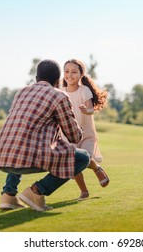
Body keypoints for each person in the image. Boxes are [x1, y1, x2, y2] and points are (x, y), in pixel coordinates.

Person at [0, 59, 90, 211]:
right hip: (29, 159)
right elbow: (74, 137)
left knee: (19, 143)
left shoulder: (21, 92)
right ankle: (36, 191)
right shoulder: (59, 96)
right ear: (58, 80)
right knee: (83, 157)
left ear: (36, 78)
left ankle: (8, 195)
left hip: (1, 156)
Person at [62, 59, 109, 200]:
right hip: (69, 135)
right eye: (67, 71)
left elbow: (90, 110)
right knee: (74, 161)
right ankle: (84, 192)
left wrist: (85, 109)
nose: (70, 75)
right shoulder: (60, 91)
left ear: (81, 74)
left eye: (74, 72)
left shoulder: (84, 90)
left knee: (86, 158)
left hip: (86, 133)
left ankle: (97, 169)